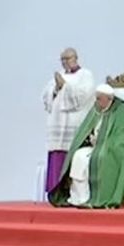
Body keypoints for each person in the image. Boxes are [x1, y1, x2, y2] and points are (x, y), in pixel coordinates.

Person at [42, 47, 94, 195]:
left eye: (67, 59)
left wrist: (65, 86)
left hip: (74, 122)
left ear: (75, 58)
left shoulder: (85, 75)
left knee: (73, 155)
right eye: (62, 59)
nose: (65, 62)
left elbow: (85, 96)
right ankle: (56, 190)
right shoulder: (57, 77)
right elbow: (46, 98)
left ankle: (71, 192)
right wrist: (56, 89)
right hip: (57, 122)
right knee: (57, 152)